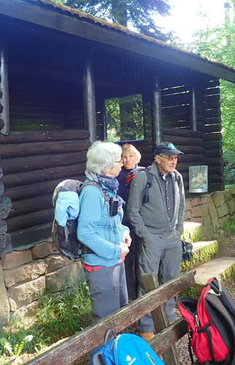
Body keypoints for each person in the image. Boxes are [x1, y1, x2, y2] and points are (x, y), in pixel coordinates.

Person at [127, 141, 185, 341]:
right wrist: (146, 235)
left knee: (171, 279)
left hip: (172, 238)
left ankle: (168, 317)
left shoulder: (177, 178)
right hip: (152, 238)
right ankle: (147, 325)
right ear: (158, 159)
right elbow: (133, 211)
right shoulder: (143, 177)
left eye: (175, 157)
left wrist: (178, 230)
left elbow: (181, 206)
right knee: (147, 281)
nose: (173, 161)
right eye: (169, 157)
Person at [77, 141, 132, 321]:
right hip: (101, 265)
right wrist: (116, 250)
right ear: (107, 167)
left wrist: (124, 231)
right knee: (105, 322)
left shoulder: (108, 187)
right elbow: (85, 232)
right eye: (118, 161)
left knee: (120, 314)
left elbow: (111, 221)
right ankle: (101, 350)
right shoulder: (93, 192)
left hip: (114, 261)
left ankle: (116, 349)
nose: (122, 163)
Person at [116, 143, 144, 300]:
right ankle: (130, 294)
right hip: (124, 223)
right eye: (124, 157)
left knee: (141, 255)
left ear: (137, 157)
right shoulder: (118, 175)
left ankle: (142, 290)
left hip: (140, 221)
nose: (127, 160)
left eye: (130, 156)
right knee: (128, 257)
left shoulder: (143, 172)